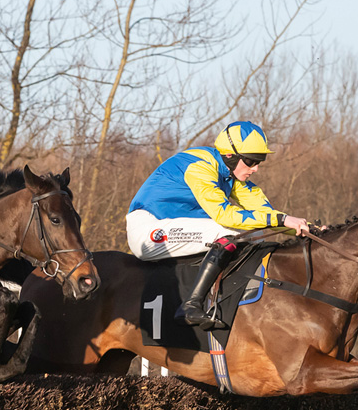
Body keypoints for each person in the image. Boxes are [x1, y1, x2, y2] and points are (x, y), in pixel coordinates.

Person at [125, 120, 311, 329]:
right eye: (251, 161)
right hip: (148, 229)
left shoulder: (230, 175)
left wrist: (306, 229)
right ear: (230, 156)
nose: (256, 168)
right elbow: (223, 214)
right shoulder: (200, 168)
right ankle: (191, 304)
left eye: (260, 161)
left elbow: (265, 213)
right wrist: (280, 220)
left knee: (246, 236)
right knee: (226, 232)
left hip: (174, 227)